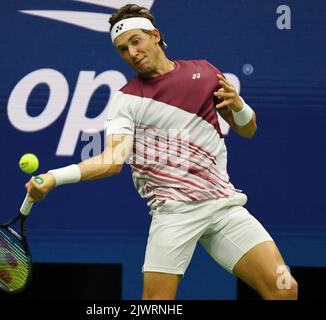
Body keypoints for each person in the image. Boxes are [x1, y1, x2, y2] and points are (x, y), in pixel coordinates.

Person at [25, 4, 298, 300]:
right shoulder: (126, 100)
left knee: (284, 289)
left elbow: (248, 129)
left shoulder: (205, 72)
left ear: (154, 35)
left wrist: (239, 106)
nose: (131, 53)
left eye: (135, 41)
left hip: (223, 205)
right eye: (122, 49)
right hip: (174, 212)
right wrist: (54, 177)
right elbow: (113, 161)